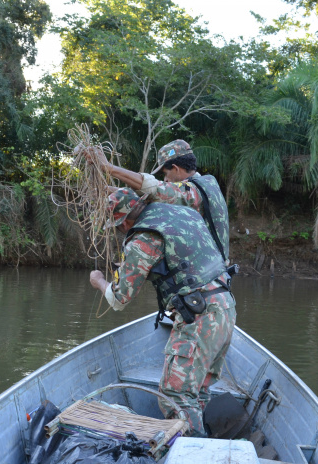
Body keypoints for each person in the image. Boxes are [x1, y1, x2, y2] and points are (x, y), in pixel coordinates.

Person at [89, 187, 237, 437]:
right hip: (225, 307)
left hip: (198, 317)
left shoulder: (142, 238)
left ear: (124, 222)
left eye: (118, 227)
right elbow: (181, 260)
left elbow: (119, 298)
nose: (120, 231)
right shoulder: (183, 213)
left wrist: (100, 281)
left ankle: (192, 457)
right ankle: (200, 442)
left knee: (175, 395)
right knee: (197, 391)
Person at [86, 140, 231, 266]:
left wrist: (108, 167)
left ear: (176, 168)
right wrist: (111, 190)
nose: (166, 180)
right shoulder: (202, 186)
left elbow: (156, 189)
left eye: (165, 174)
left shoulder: (195, 190)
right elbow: (154, 197)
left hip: (209, 277)